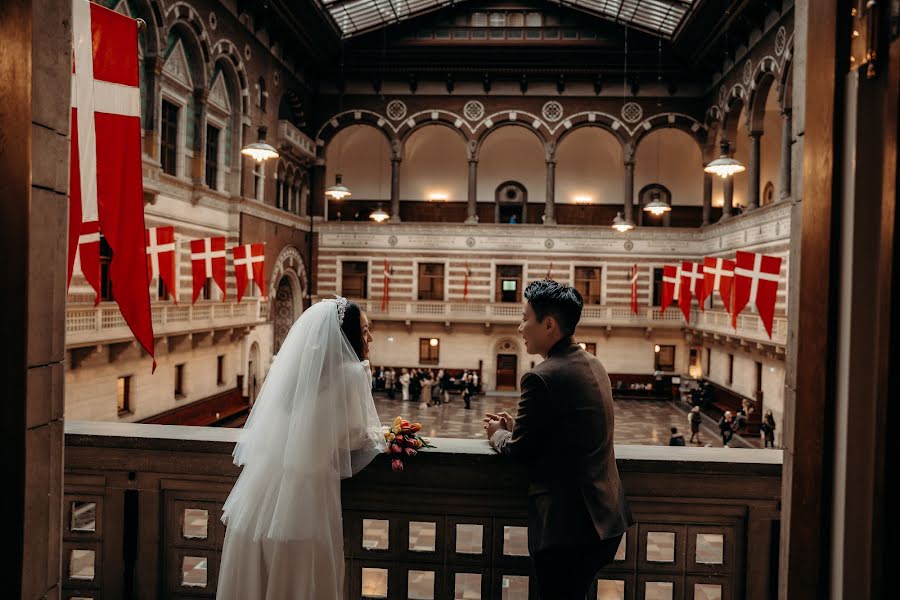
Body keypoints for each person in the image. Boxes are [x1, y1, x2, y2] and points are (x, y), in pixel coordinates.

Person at [217, 297, 383, 599]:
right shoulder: (354, 374)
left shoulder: (298, 379)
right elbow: (355, 439)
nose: (370, 338)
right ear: (345, 336)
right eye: (364, 331)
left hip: (259, 496)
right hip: (305, 498)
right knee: (301, 579)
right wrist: (386, 437)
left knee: (260, 578)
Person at [484, 280, 633, 600]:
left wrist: (498, 435)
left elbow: (519, 450)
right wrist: (520, 428)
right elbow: (568, 431)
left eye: (526, 318)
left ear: (549, 324)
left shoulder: (541, 376)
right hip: (606, 517)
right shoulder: (594, 363)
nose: (520, 326)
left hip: (568, 529)